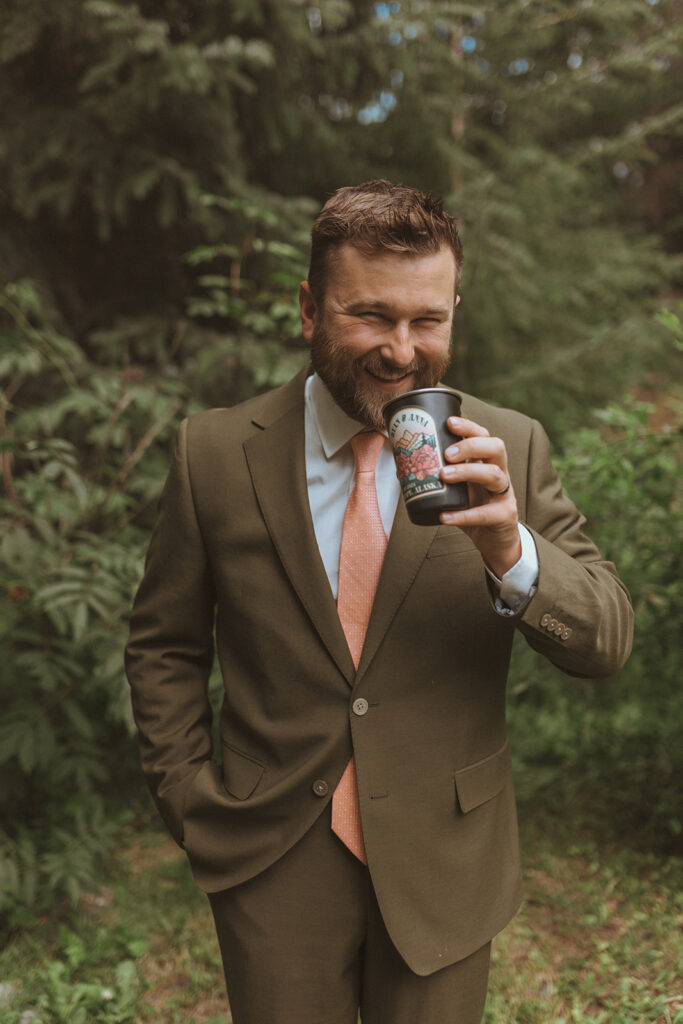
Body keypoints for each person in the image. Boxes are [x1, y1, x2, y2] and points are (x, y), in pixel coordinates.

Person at [125, 180, 633, 1024]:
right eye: (370, 316)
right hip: (270, 857)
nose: (401, 351)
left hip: (447, 859)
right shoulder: (212, 453)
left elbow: (606, 638)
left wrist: (510, 550)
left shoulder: (507, 447)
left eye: (427, 321)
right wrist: (187, 797)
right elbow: (164, 646)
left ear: (452, 311)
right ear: (308, 309)